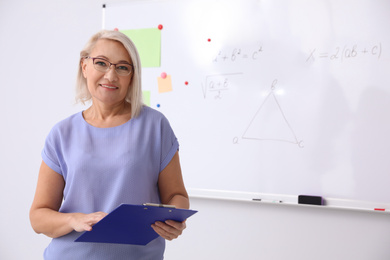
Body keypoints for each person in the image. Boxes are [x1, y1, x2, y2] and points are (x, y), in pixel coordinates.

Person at [29, 30, 190, 260]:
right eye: (101, 63)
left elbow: (177, 195)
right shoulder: (61, 134)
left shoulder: (155, 126)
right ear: (84, 66)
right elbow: (38, 217)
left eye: (122, 67)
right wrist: (73, 219)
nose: (111, 75)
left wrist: (175, 218)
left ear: (132, 77)